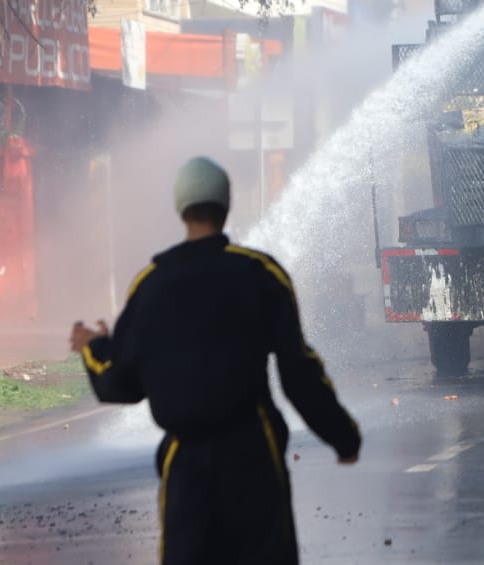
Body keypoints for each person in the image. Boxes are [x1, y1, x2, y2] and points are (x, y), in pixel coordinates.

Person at [69, 156, 361, 565]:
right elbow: (299, 372)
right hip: (254, 459)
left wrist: (93, 347)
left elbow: (119, 384)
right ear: (227, 205)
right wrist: (343, 437)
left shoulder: (151, 285)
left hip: (186, 470)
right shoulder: (261, 274)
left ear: (180, 208)